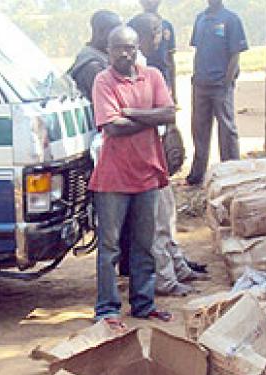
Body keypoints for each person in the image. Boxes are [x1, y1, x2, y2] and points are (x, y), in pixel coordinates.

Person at [90, 26, 176, 327]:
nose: (124, 53)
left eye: (129, 47)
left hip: (148, 172)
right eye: (118, 48)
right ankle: (107, 310)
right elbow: (113, 127)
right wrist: (150, 115)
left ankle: (143, 304)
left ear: (138, 47)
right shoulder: (103, 81)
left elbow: (169, 114)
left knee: (145, 244)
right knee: (110, 248)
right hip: (113, 177)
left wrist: (131, 112)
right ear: (108, 50)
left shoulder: (152, 75)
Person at [129, 12, 206, 297]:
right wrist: (157, 115)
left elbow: (166, 111)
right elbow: (154, 113)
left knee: (167, 212)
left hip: (156, 148)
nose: (161, 37)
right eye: (156, 32)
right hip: (144, 153)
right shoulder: (137, 70)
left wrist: (161, 116)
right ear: (145, 36)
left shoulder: (149, 67)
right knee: (158, 221)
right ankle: (164, 279)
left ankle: (176, 267)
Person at [186, 0, 248, 186]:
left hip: (221, 85)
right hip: (201, 84)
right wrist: (196, 76)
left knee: (227, 129)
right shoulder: (200, 19)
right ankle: (198, 173)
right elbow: (198, 51)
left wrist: (227, 82)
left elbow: (235, 56)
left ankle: (231, 171)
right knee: (199, 129)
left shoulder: (231, 20)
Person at [68, 10, 122, 102]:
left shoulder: (105, 57)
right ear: (100, 32)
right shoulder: (92, 66)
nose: (120, 37)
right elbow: (110, 101)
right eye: (115, 33)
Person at [137, 0, 177, 101]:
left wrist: (174, 92)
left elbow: (170, 60)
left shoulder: (167, 25)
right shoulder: (132, 25)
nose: (150, 2)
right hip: (140, 84)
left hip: (164, 81)